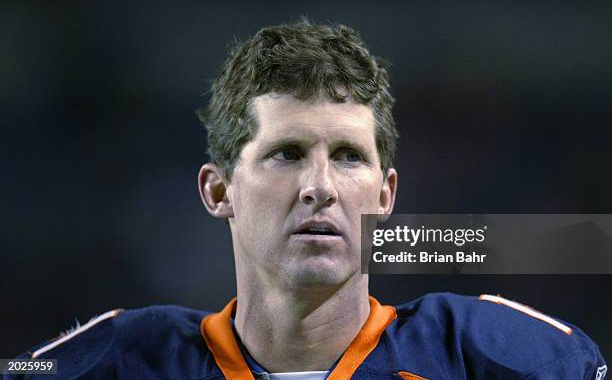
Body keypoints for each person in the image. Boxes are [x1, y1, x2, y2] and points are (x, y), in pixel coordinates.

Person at [6, 20, 606, 380]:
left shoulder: (493, 354)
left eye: (348, 156)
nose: (319, 187)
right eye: (286, 153)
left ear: (386, 192)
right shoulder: (121, 358)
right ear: (219, 190)